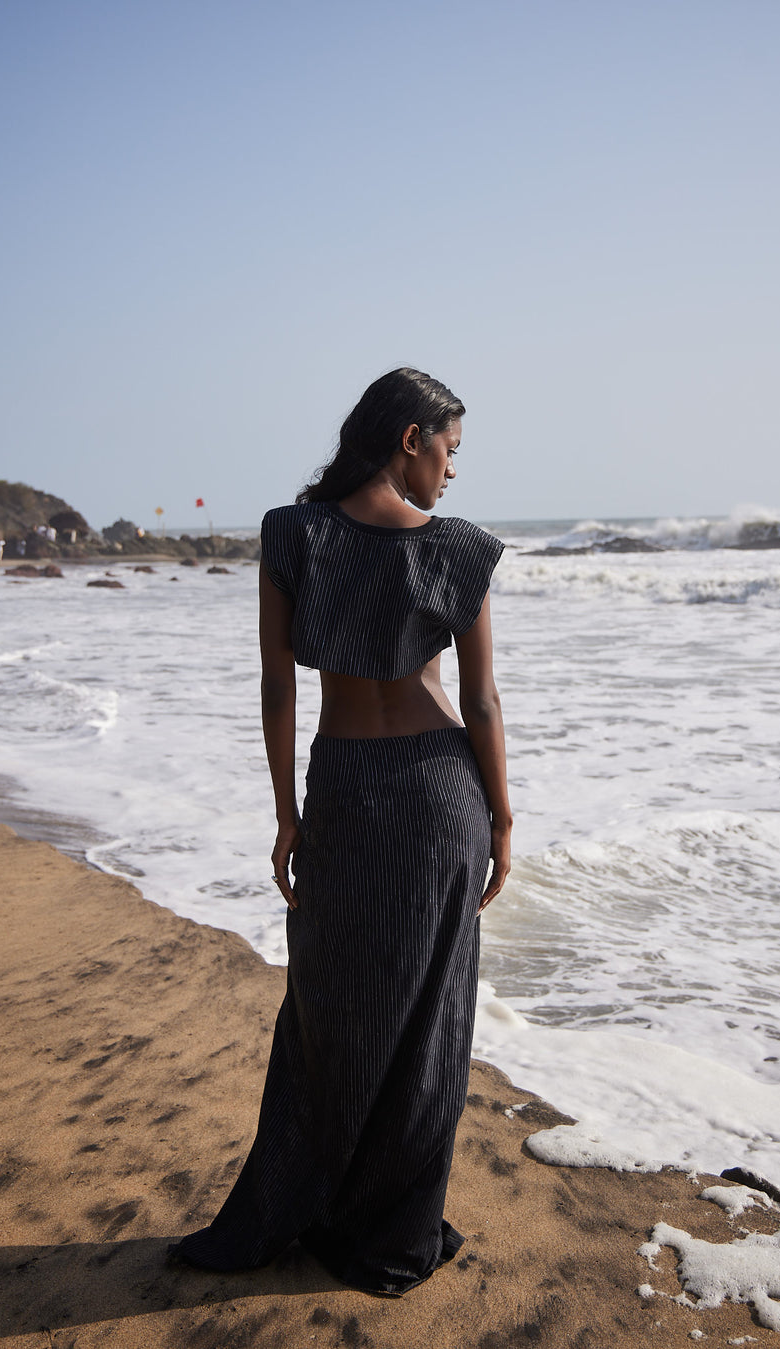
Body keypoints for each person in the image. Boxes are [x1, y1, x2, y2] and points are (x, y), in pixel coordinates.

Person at [173, 367, 511, 1295]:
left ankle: (311, 1201)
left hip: (348, 786)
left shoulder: (293, 534)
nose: (452, 470)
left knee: (329, 1012)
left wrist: (287, 812)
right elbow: (478, 701)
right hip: (445, 797)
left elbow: (279, 687)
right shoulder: (457, 549)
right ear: (410, 439)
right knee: (426, 1018)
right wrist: (505, 818)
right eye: (448, 449)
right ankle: (388, 1222)